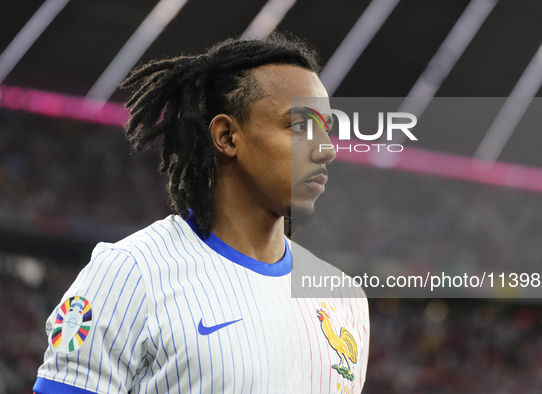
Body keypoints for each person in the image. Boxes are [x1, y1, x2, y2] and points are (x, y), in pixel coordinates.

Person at [33, 33, 369, 394]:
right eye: (300, 126)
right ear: (226, 136)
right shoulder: (130, 274)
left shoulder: (345, 297)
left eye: (326, 128)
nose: (327, 150)